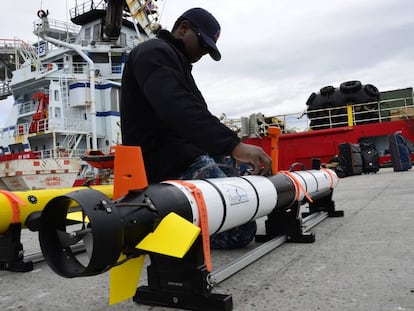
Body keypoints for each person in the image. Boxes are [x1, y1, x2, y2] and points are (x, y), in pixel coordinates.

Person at [120, 7, 272, 248]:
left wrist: (224, 151)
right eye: (203, 44)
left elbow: (195, 112)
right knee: (241, 230)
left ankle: (173, 222)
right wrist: (233, 145)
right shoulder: (153, 53)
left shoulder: (174, 63)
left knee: (245, 205)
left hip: (184, 158)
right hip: (165, 167)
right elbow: (178, 109)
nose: (203, 53)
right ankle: (156, 224)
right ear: (183, 28)